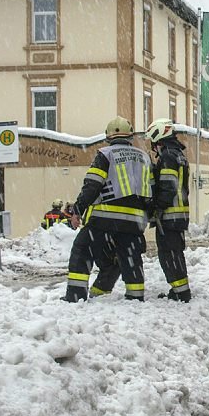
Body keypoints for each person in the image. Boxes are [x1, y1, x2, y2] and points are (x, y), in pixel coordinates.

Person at [63, 116, 153, 303]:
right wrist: (149, 215)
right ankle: (135, 297)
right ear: (130, 136)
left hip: (105, 219)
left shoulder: (106, 154)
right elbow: (152, 190)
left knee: (82, 250)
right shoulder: (144, 158)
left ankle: (75, 296)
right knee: (129, 257)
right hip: (134, 222)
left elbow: (92, 185)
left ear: (108, 136)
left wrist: (78, 210)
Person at [145, 118, 191, 303]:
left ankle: (181, 293)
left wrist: (157, 207)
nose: (153, 146)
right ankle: (180, 290)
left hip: (169, 215)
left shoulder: (168, 157)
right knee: (175, 253)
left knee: (168, 254)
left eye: (153, 142)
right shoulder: (179, 155)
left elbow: (168, 186)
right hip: (179, 215)